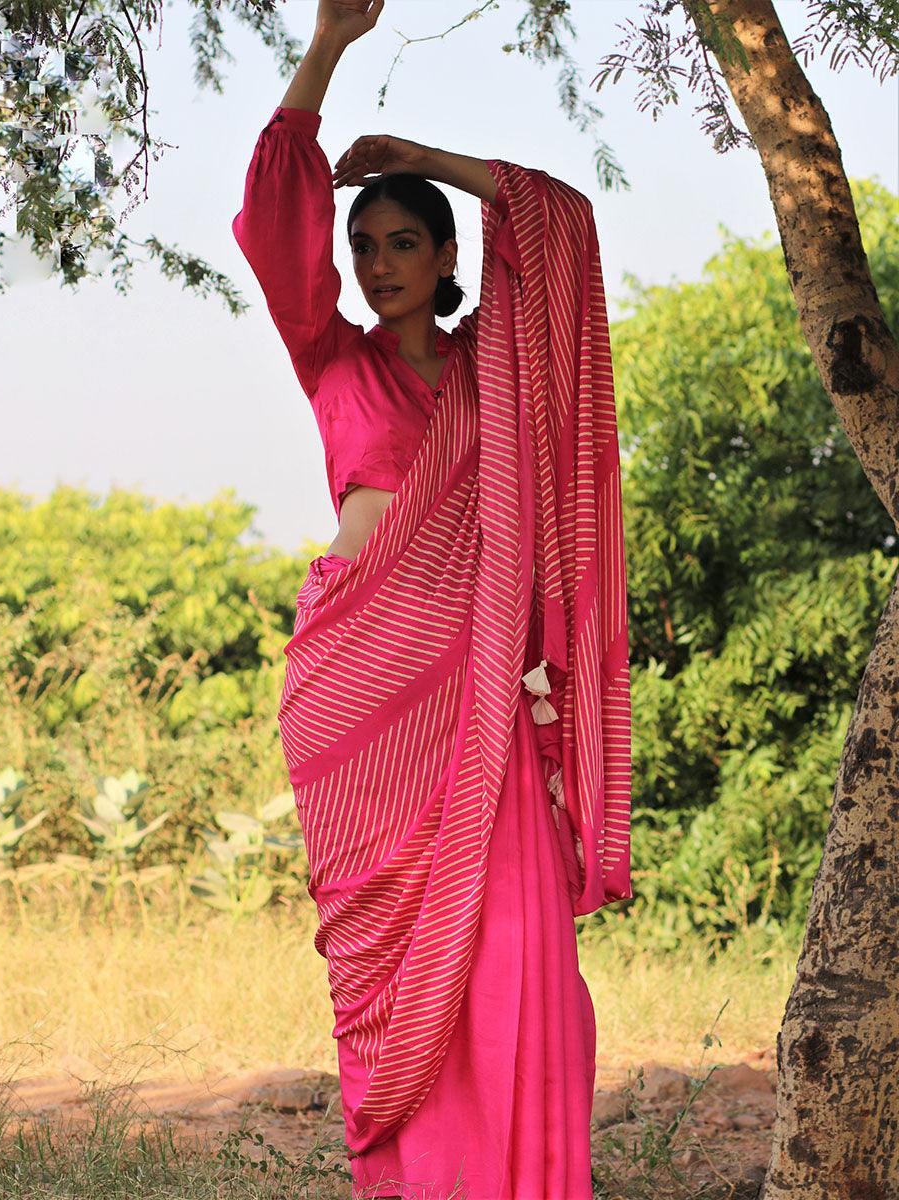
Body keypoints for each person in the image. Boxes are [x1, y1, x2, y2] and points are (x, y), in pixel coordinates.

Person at [231, 2, 633, 1196]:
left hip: (476, 709)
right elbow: (273, 221)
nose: (380, 265)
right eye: (368, 250)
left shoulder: (492, 373)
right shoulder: (334, 357)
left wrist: (422, 159)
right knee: (393, 970)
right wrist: (327, 50)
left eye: (405, 242)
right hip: (360, 691)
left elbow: (560, 221)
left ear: (447, 256)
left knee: (519, 960)